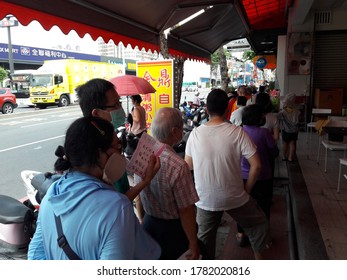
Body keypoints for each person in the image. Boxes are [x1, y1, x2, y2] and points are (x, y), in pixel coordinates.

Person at [28, 116, 161, 260]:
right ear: (99, 155)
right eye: (117, 146)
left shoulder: (51, 195)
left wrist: (145, 180)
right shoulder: (117, 207)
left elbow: (35, 255)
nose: (120, 152)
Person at [185, 88, 271, 260]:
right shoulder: (237, 132)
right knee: (259, 224)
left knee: (204, 239)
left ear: (207, 110)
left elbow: (188, 166)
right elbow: (257, 166)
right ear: (227, 109)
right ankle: (259, 258)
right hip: (235, 197)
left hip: (205, 199)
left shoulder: (194, 134)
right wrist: (246, 189)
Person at [76, 78, 150, 221]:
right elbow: (115, 201)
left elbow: (123, 192)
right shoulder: (97, 156)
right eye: (115, 104)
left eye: (120, 102)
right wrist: (145, 181)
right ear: (97, 114)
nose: (120, 109)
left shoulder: (111, 138)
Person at [134, 107, 201, 260]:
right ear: (175, 132)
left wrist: (142, 219)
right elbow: (186, 210)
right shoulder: (178, 165)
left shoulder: (142, 156)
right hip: (173, 231)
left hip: (149, 226)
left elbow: (138, 196)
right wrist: (193, 242)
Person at [236, 104, 279, 246]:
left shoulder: (238, 131)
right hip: (263, 177)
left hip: (242, 177)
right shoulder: (264, 133)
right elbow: (274, 152)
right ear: (258, 118)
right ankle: (264, 238)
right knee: (263, 207)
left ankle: (242, 234)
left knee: (243, 207)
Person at [278, 93, 301, 162]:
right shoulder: (297, 111)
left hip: (286, 130)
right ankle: (290, 157)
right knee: (292, 143)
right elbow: (299, 120)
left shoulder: (284, 112)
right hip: (295, 130)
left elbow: (278, 116)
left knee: (285, 143)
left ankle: (284, 156)